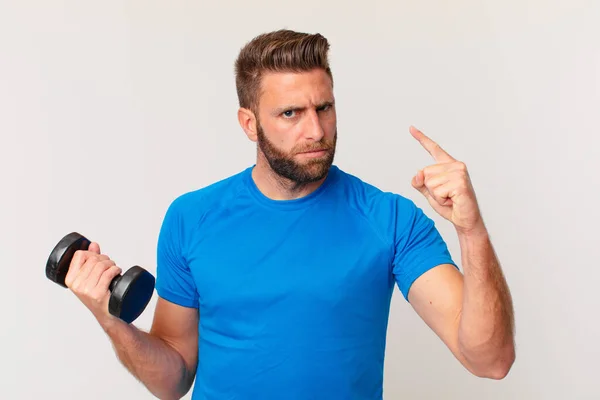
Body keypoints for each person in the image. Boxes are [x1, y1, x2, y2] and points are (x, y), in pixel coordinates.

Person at [64, 29, 515, 399]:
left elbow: (490, 360)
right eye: (290, 113)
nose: (315, 130)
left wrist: (471, 231)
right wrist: (110, 318)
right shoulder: (191, 217)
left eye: (324, 108)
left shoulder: (390, 219)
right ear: (249, 123)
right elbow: (172, 380)